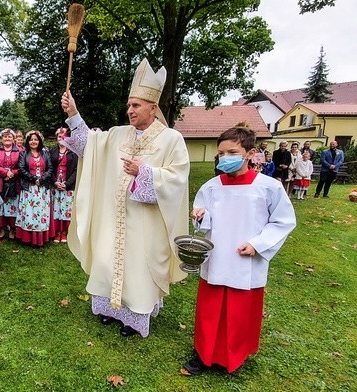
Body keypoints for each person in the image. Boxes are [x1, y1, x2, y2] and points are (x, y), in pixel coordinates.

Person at [60, 58, 190, 337]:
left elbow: (178, 178)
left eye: (136, 105)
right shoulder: (119, 134)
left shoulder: (171, 139)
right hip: (114, 218)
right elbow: (88, 146)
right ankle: (110, 310)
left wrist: (144, 172)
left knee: (138, 270)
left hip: (145, 222)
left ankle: (134, 318)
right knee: (108, 261)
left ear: (153, 108)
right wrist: (74, 115)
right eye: (129, 105)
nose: (129, 110)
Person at [182, 123, 296, 376]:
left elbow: (283, 221)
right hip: (217, 256)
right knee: (210, 311)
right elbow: (203, 216)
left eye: (232, 152)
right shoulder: (211, 186)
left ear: (250, 153)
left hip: (247, 259)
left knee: (239, 313)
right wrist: (200, 215)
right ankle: (203, 354)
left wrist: (258, 244)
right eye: (221, 153)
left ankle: (233, 355)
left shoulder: (269, 187)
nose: (225, 158)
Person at [15, 130, 54, 246]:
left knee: (41, 212)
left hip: (42, 189)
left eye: (36, 139)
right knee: (29, 212)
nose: (33, 142)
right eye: (31, 139)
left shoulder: (45, 153)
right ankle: (29, 238)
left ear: (40, 141)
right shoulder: (23, 153)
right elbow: (21, 169)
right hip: (29, 188)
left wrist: (41, 179)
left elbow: (50, 168)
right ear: (28, 141)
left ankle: (40, 238)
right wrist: (33, 179)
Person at [0, 128, 21, 239]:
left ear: (13, 139)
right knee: (0, 206)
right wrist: (5, 172)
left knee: (12, 206)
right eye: (5, 136)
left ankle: (12, 229)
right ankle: (1, 229)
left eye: (9, 137)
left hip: (14, 182)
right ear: (2, 138)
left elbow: (22, 166)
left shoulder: (20, 150)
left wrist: (12, 173)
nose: (7, 138)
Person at [49, 127, 77, 243]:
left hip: (68, 186)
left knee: (66, 210)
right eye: (59, 136)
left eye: (64, 136)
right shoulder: (52, 152)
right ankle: (57, 232)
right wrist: (55, 182)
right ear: (56, 138)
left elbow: (76, 169)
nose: (62, 138)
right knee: (56, 209)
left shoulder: (73, 152)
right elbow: (49, 168)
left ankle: (65, 232)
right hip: (55, 185)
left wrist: (67, 183)